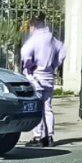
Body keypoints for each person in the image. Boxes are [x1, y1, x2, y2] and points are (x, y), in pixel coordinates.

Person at [21, 13, 66, 147]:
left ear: (34, 26)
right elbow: (63, 51)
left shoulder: (35, 39)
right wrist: (54, 65)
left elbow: (25, 53)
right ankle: (50, 137)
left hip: (36, 76)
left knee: (38, 107)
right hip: (49, 76)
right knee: (48, 107)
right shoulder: (52, 38)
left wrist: (30, 65)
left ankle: (38, 137)